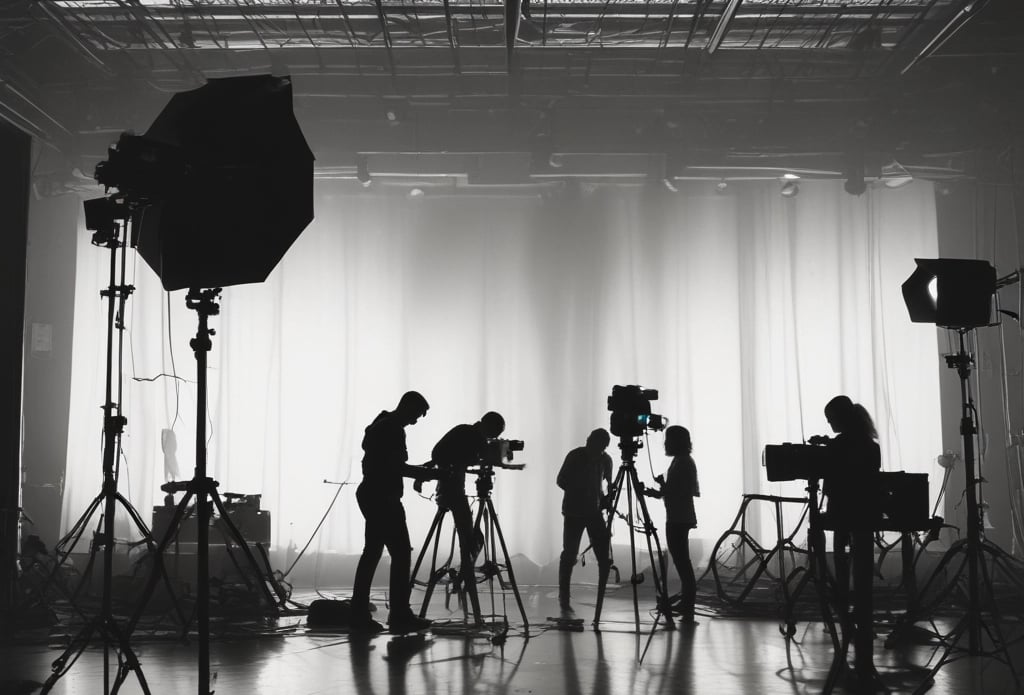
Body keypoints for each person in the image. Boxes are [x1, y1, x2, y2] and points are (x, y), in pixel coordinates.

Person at [351, 391, 436, 634]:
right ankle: (399, 614)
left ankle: (359, 614)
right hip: (384, 498)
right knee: (400, 554)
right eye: (416, 415)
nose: (416, 421)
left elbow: (389, 464)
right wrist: (425, 474)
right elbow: (395, 467)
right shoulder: (393, 430)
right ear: (407, 407)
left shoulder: (380, 424)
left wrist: (420, 471)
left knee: (372, 554)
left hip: (372, 494)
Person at [813, 395, 882, 686]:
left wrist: (823, 449)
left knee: (841, 567)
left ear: (840, 418)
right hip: (865, 515)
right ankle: (863, 619)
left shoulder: (838, 445)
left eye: (831, 419)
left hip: (842, 514)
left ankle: (842, 613)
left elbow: (829, 478)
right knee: (863, 572)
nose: (829, 424)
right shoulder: (870, 445)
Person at [427, 411, 507, 624]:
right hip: (451, 492)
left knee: (473, 537)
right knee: (470, 540)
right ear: (485, 425)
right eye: (492, 433)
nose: (491, 438)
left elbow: (449, 456)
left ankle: (465, 573)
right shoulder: (467, 434)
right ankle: (465, 575)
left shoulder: (469, 435)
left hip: (451, 490)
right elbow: (442, 454)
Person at [643, 425, 700, 624]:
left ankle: (687, 604)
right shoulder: (682, 460)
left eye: (668, 440)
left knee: (682, 563)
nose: (665, 444)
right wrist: (659, 488)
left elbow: (679, 491)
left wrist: (662, 487)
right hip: (678, 516)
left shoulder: (683, 462)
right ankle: (686, 603)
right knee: (682, 562)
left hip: (679, 518)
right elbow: (675, 490)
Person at [555, 428, 613, 618]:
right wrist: (581, 490)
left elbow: (608, 487)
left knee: (602, 557)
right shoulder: (576, 456)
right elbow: (561, 480)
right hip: (574, 511)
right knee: (570, 554)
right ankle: (564, 597)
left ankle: (580, 600)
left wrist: (603, 499)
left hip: (594, 512)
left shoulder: (606, 460)